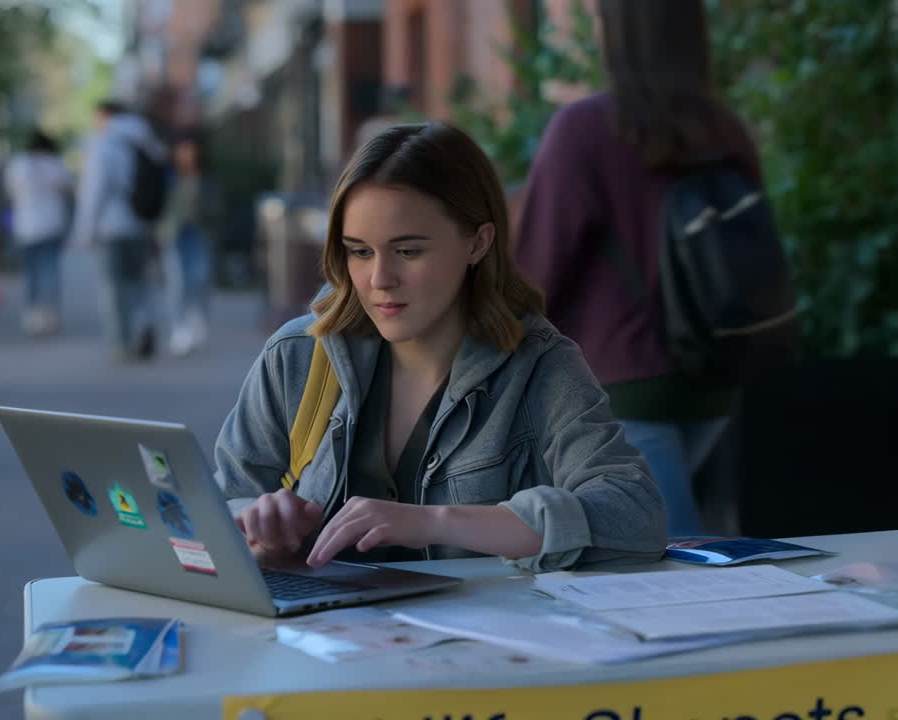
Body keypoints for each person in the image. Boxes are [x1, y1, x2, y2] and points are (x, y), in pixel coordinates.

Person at [214, 122, 667, 573]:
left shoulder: (538, 368)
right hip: (314, 639)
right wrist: (257, 530)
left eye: (407, 252)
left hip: (475, 641)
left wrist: (438, 522)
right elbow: (217, 508)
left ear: (478, 243)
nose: (379, 280)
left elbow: (635, 514)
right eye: (360, 252)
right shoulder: (296, 355)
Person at [513, 0, 765, 537]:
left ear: (618, 34)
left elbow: (533, 274)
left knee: (668, 562)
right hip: (714, 379)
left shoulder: (583, 129)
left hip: (621, 387)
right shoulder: (724, 130)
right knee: (677, 549)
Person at [70, 100, 166, 361]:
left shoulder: (105, 144)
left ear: (104, 116)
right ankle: (144, 323)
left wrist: (83, 232)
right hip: (141, 223)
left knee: (114, 287)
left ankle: (122, 343)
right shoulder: (146, 141)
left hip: (112, 226)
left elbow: (95, 190)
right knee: (140, 283)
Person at [4, 128, 74, 336]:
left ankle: (32, 315)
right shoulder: (54, 164)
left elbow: (10, 191)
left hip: (25, 227)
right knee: (50, 271)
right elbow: (69, 188)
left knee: (31, 273)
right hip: (51, 226)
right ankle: (50, 314)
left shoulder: (18, 165)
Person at [157, 129, 220, 356]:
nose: (187, 154)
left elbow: (215, 207)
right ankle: (179, 328)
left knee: (200, 277)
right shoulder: (168, 176)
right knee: (178, 282)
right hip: (174, 235)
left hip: (199, 233)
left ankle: (196, 317)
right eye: (182, 150)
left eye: (191, 150)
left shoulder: (205, 177)